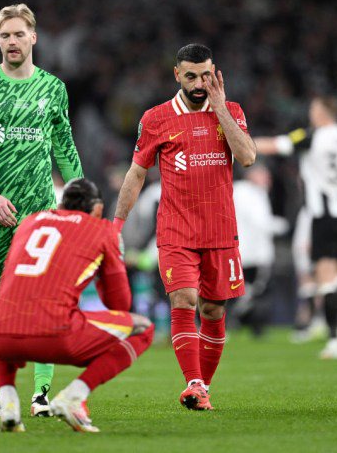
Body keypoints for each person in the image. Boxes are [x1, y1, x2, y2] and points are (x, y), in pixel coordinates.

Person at [113, 44, 256, 410]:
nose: (198, 83)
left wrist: (220, 107)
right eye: (190, 76)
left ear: (214, 73)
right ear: (177, 74)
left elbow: (248, 157)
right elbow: (137, 172)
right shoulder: (157, 118)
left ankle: (201, 389)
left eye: (205, 75)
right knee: (184, 299)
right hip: (176, 230)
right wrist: (117, 224)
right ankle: (193, 382)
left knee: (213, 311)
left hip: (221, 231)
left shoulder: (232, 111)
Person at [0, 3, 84, 417]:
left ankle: (42, 394)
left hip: (40, 217)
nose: (12, 41)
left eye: (19, 34)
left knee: (44, 309)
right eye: (5, 35)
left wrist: (81, 202)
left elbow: (64, 149)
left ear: (34, 37)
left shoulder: (53, 89)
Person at [0, 178, 153, 433]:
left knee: (3, 315)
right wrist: (102, 272)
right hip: (55, 333)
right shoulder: (102, 230)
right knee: (143, 327)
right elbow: (120, 305)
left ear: (61, 203)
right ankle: (73, 397)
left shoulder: (31, 221)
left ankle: (8, 403)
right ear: (96, 208)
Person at [255, 97, 337, 359]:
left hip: (324, 215)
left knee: (325, 278)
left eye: (313, 110)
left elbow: (276, 144)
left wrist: (238, 141)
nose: (310, 114)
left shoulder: (313, 136)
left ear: (321, 112)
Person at [232, 164, 289, 336]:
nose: (267, 179)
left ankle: (241, 323)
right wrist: (282, 226)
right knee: (257, 291)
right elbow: (260, 222)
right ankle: (250, 324)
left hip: (237, 251)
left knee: (240, 290)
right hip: (254, 253)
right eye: (263, 174)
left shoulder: (236, 189)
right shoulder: (252, 193)